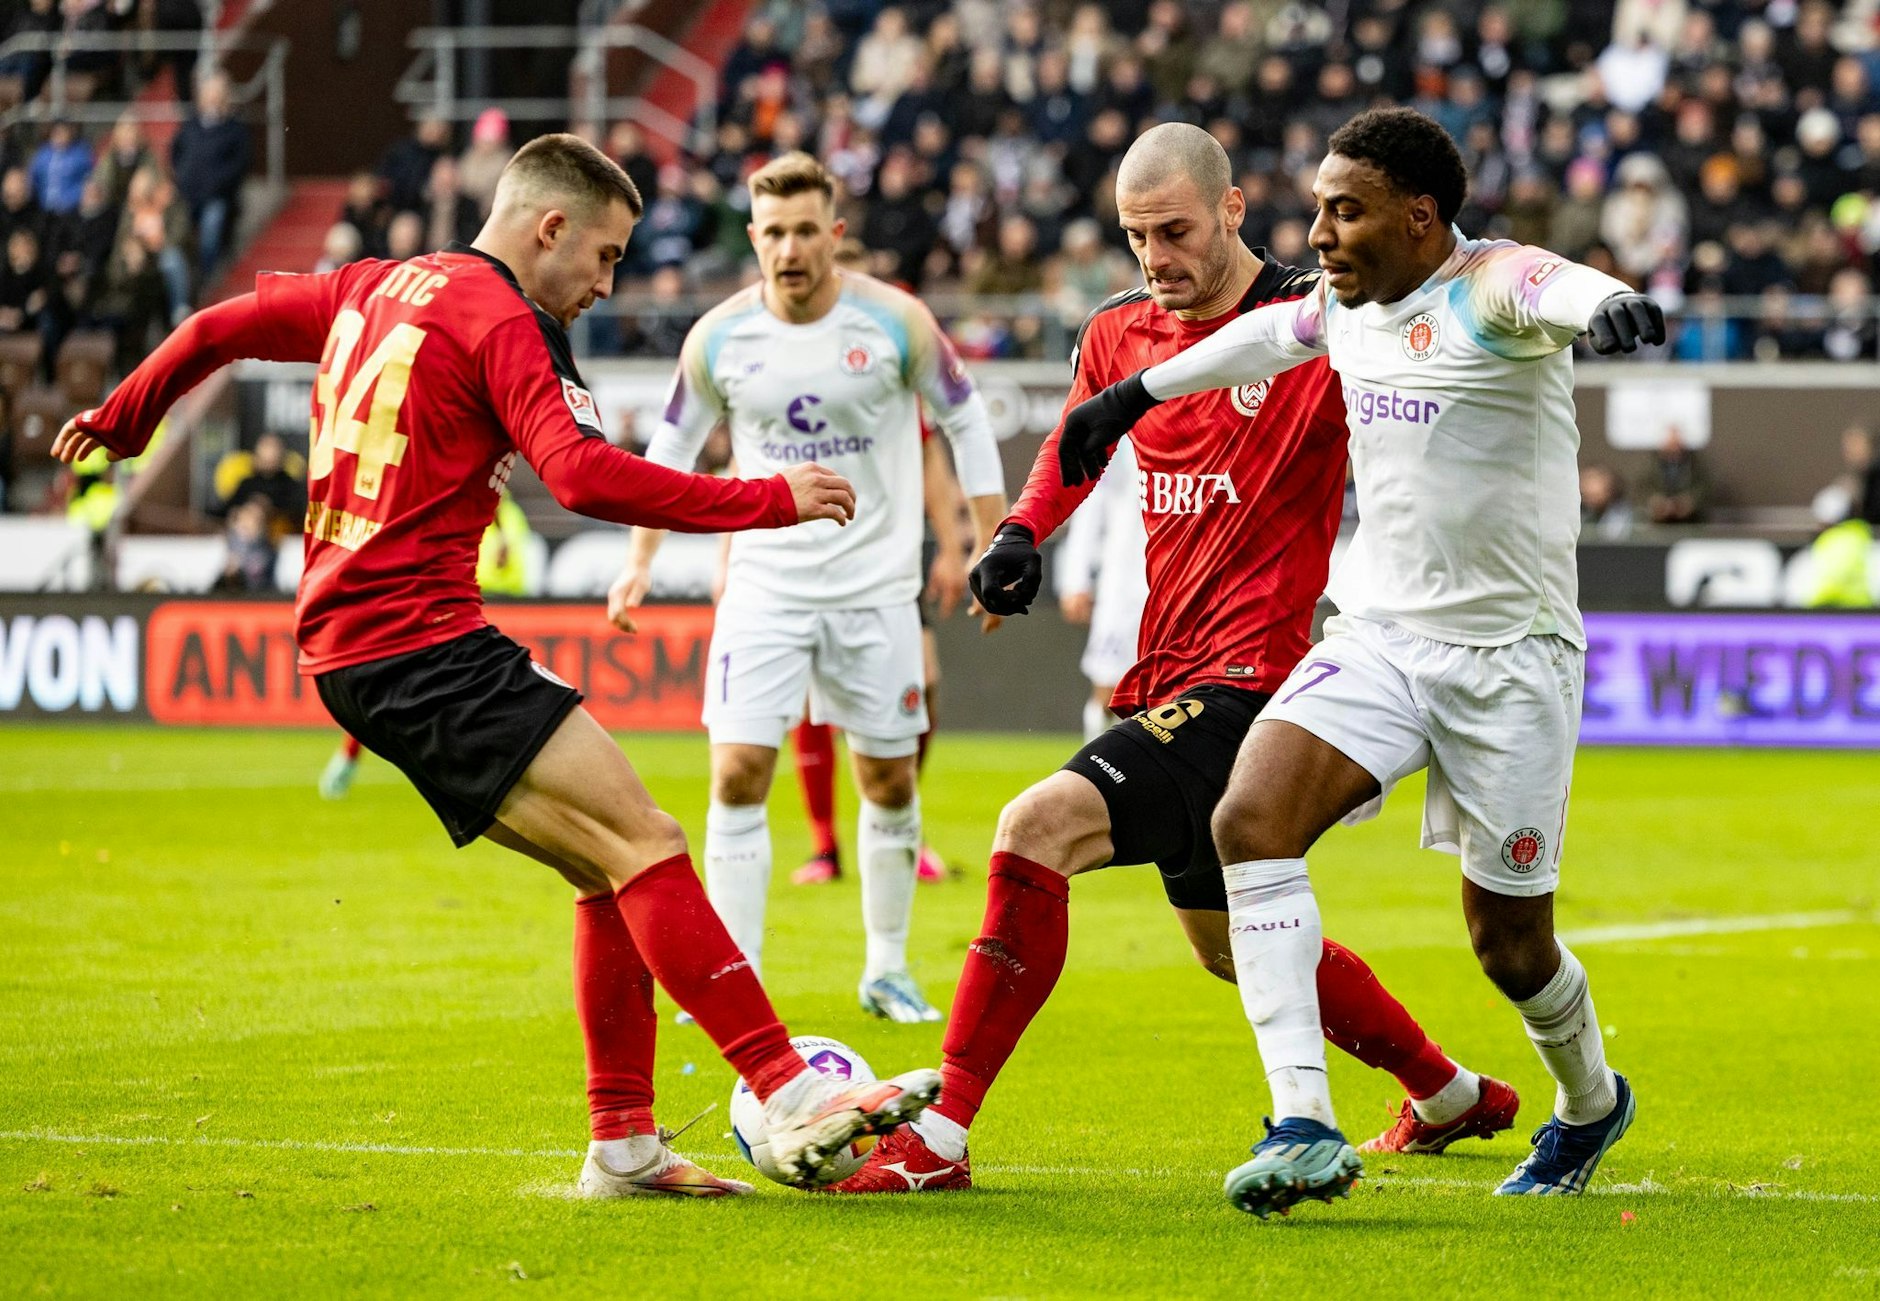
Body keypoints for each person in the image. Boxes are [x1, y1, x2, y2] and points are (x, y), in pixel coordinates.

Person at [51, 131, 939, 1199]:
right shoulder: (505, 317)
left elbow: (215, 324)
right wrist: (766, 502)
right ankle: (788, 1089)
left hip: (355, 643)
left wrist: (126, 414)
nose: (606, 284)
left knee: (604, 865)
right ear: (547, 227)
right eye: (604, 257)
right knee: (647, 839)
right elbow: (579, 475)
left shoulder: (368, 285)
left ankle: (623, 1145)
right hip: (418, 639)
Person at [830, 122, 1518, 1196]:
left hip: (1267, 681)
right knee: (1227, 944)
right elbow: (1078, 438)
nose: (1156, 256)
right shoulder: (1115, 333)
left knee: (1033, 826)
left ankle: (941, 1134)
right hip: (1165, 670)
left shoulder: (1317, 316)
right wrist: (1018, 531)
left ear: (1233, 209)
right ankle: (1446, 1093)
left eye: (1175, 230)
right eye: (1135, 235)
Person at [1052, 107, 1665, 1215]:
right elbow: (1256, 338)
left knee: (1509, 942)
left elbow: (1554, 285)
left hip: (1510, 663)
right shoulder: (1340, 303)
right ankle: (1302, 1119)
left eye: (1345, 210)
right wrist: (1123, 399)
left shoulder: (1489, 288)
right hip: (1379, 636)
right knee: (1249, 819)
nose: (1319, 234)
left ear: (1419, 218)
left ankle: (1586, 1101)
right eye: (1319, 207)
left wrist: (1608, 306)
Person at [607, 152, 1008, 1024]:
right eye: (772, 232)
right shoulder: (718, 338)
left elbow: (965, 420)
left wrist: (996, 538)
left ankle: (889, 968)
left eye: (804, 231)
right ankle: (736, 976)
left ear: (833, 233)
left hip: (873, 590)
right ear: (754, 238)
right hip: (764, 588)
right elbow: (669, 454)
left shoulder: (895, 322)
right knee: (739, 772)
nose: (789, 248)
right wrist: (638, 559)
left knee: (890, 782)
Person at [1054, 435, 1148, 742]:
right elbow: (1092, 501)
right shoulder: (1125, 434)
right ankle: (1093, 772)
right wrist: (1075, 577)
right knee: (1110, 690)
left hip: (1177, 580)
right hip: (1124, 584)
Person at [169, 71, 251, 276]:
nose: (212, 98)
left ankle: (208, 277)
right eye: (208, 93)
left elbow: (241, 164)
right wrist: (182, 176)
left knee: (211, 228)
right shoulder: (190, 126)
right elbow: (175, 152)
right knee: (175, 231)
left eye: (217, 94)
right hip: (187, 194)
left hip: (217, 196)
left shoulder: (235, 130)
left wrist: (217, 184)